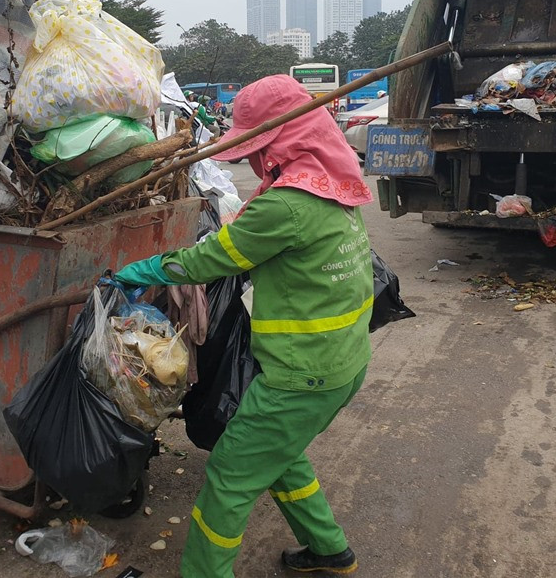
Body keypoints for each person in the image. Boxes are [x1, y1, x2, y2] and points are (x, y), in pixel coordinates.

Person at [116, 74, 375, 577]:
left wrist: (144, 270)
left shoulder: (285, 205)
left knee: (228, 482)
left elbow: (212, 260)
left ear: (282, 142)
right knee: (283, 456)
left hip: (299, 379)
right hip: (341, 364)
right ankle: (329, 550)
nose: (255, 161)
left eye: (258, 149)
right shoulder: (336, 187)